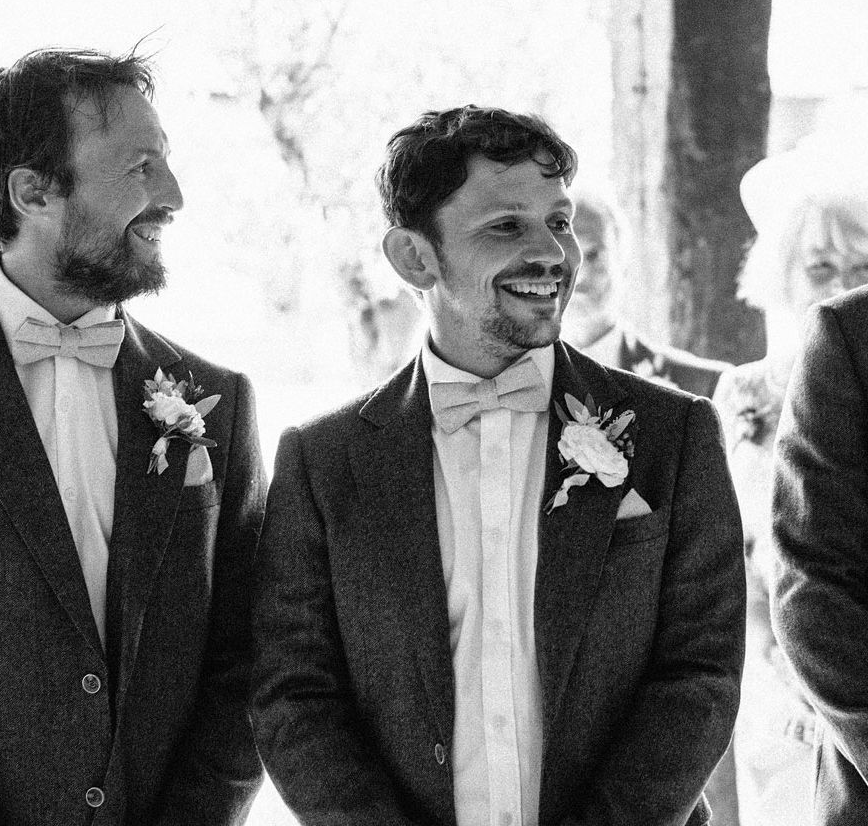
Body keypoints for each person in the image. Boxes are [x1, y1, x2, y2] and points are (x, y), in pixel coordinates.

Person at [251, 105, 745, 826]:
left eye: (561, 221)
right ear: (416, 258)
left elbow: (700, 673)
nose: (552, 253)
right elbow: (294, 694)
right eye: (507, 226)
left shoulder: (676, 432)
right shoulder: (323, 462)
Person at [0, 48, 266, 825]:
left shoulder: (222, 403)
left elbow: (245, 662)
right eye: (140, 167)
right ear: (33, 191)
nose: (174, 195)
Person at [712, 136, 868, 826]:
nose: (837, 283)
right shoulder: (754, 387)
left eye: (857, 266)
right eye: (821, 267)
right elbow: (793, 568)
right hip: (787, 679)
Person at [563, 184, 730, 398]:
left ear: (623, 260)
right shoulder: (517, 379)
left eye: (594, 254)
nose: (581, 275)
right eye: (567, 257)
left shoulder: (704, 385)